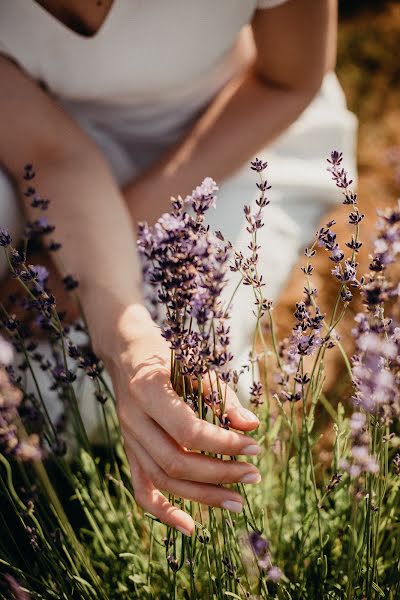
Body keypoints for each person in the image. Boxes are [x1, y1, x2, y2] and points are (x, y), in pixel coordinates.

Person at [0, 0, 357, 536]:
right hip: (50, 150)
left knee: (187, 377)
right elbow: (51, 153)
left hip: (234, 135)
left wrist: (117, 316)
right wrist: (115, 321)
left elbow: (289, 81)